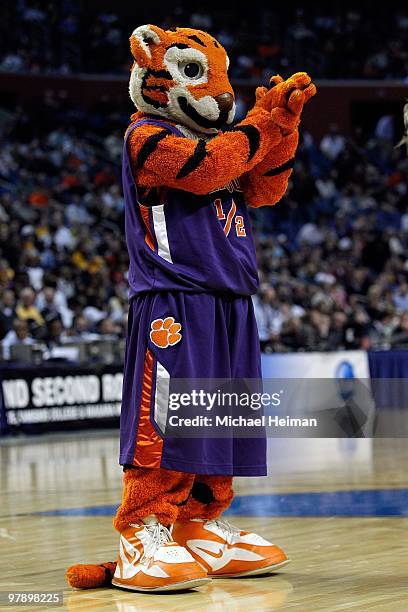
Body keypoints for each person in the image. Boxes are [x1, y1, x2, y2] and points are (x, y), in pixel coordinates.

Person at [66, 24, 316, 592]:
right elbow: (206, 168)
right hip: (173, 299)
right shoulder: (147, 135)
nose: (221, 95)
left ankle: (197, 526)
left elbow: (267, 189)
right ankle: (140, 533)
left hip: (231, 299)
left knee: (221, 422)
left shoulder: (223, 146)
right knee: (167, 423)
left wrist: (287, 129)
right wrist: (263, 124)